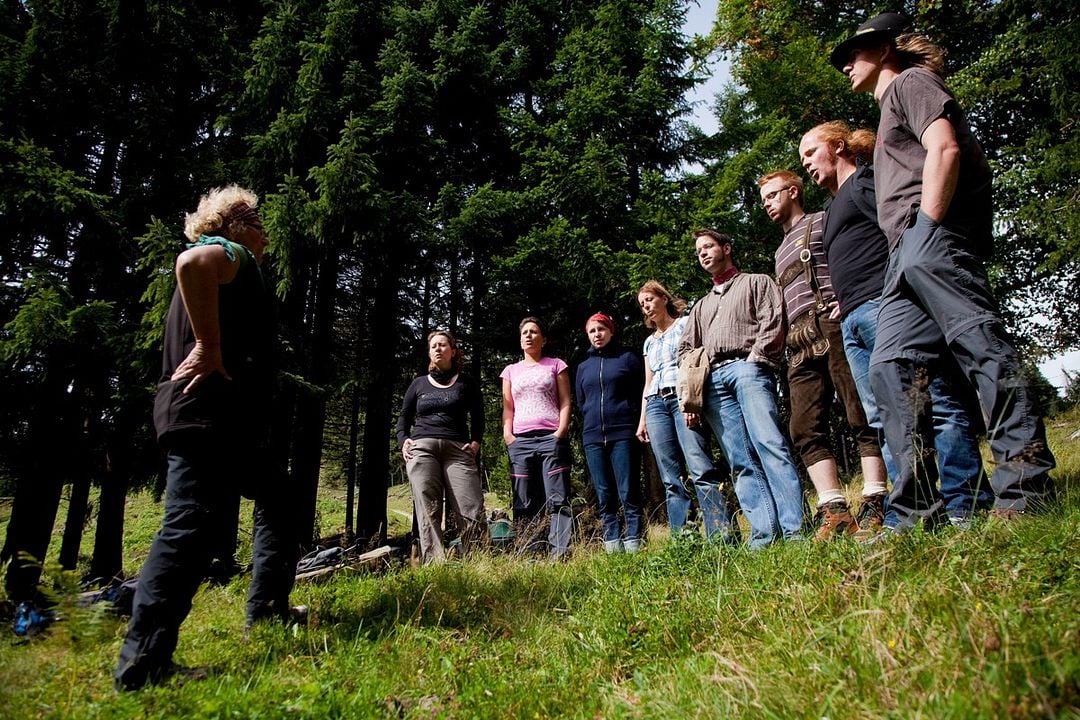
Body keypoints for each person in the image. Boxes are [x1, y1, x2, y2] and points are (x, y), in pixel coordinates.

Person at [831, 12, 1055, 531]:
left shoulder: (912, 82)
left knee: (980, 345)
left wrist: (928, 226)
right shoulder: (888, 111)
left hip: (931, 237)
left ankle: (1025, 487)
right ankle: (914, 514)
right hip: (903, 256)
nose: (846, 65)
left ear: (885, 49)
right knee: (890, 368)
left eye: (854, 53)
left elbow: (946, 147)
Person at [115, 186, 300, 690]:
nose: (263, 230)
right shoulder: (229, 252)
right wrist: (208, 344)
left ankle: (266, 609)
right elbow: (192, 262)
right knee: (188, 528)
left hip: (224, 421)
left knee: (278, 500)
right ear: (234, 224)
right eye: (256, 219)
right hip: (204, 414)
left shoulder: (241, 265)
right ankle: (143, 663)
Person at [799, 121, 992, 530]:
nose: (807, 165)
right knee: (884, 418)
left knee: (936, 399)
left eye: (811, 153)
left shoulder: (868, 182)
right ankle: (916, 509)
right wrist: (842, 302)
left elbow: (902, 232)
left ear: (837, 147)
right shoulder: (833, 206)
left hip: (890, 307)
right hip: (853, 320)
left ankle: (966, 503)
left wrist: (900, 287)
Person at [759, 170, 887, 539]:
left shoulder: (822, 221)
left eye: (772, 195)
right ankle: (834, 508)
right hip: (798, 338)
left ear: (793, 191)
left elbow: (847, 263)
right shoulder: (779, 250)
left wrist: (842, 301)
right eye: (764, 198)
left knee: (858, 409)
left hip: (831, 323)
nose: (767, 203)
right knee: (803, 425)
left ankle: (875, 498)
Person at [678, 229, 805, 548]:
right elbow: (684, 349)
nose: (703, 254)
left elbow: (773, 321)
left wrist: (754, 360)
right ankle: (764, 534)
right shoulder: (701, 306)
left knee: (770, 444)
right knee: (739, 460)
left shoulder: (757, 282)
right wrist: (699, 373)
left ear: (727, 247)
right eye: (698, 251)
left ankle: (795, 530)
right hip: (713, 385)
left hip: (749, 371)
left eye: (708, 247)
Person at [635, 281, 739, 543]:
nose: (646, 306)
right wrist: (642, 419)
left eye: (649, 299)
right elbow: (648, 382)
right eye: (642, 304)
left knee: (700, 466)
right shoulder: (649, 342)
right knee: (671, 477)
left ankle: (722, 536)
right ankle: (685, 540)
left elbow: (695, 364)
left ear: (663, 298)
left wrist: (691, 402)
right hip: (657, 404)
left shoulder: (685, 324)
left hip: (683, 398)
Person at [396, 330, 486, 563]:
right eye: (433, 346)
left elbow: (478, 415)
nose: (438, 348)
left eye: (443, 345)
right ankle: (435, 564)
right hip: (422, 448)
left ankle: (477, 560)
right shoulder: (418, 384)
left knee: (470, 504)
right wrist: (402, 438)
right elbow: (404, 417)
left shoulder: (467, 383)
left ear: (453, 351)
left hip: (458, 449)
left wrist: (476, 441)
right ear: (429, 352)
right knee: (428, 506)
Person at [500, 317, 573, 558]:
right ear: (520, 340)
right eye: (525, 333)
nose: (529, 336)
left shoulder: (556, 365)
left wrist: (560, 431)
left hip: (550, 437)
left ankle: (559, 552)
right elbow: (508, 407)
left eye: (534, 332)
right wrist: (508, 435)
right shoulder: (510, 371)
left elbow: (565, 400)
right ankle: (529, 551)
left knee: (557, 497)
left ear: (544, 339)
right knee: (523, 499)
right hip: (520, 441)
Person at [574, 313, 645, 553]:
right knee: (604, 493)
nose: (597, 334)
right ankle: (612, 541)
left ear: (611, 331)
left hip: (623, 433)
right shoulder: (584, 367)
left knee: (628, 490)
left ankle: (635, 539)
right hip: (593, 437)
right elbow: (581, 401)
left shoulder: (627, 359)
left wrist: (632, 419)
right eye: (592, 331)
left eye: (601, 329)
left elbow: (639, 393)